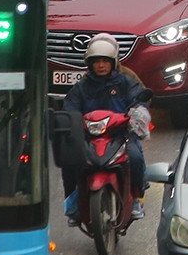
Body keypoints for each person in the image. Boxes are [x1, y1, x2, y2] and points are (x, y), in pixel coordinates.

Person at [60, 36, 151, 222]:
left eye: (105, 61)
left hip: (121, 135)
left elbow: (139, 99)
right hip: (89, 138)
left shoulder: (126, 82)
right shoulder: (81, 87)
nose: (101, 65)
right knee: (69, 161)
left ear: (113, 62)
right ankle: (73, 201)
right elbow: (70, 108)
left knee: (135, 155)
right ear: (89, 64)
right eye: (96, 61)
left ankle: (136, 197)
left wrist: (138, 113)